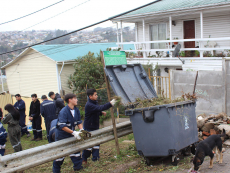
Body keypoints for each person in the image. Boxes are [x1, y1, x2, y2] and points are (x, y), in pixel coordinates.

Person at [82, 89, 116, 164]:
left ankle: (95, 158)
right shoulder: (89, 105)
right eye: (95, 95)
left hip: (95, 126)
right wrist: (110, 103)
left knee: (96, 143)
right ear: (90, 96)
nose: (97, 96)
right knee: (89, 144)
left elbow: (96, 110)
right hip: (89, 127)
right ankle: (84, 158)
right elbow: (99, 108)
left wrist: (100, 113)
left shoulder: (94, 102)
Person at [53, 93, 83, 173]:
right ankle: (56, 171)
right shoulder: (63, 112)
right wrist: (74, 132)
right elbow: (62, 126)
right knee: (60, 156)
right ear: (70, 100)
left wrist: (81, 130)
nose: (77, 100)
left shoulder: (76, 110)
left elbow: (79, 121)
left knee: (75, 152)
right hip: (61, 137)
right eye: (75, 98)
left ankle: (78, 167)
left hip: (71, 135)